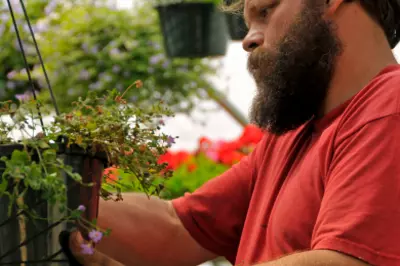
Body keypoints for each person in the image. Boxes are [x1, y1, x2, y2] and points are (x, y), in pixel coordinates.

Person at [62, 0, 400, 265]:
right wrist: (41, 194)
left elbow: (347, 262)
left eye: (266, 11)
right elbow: (177, 230)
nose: (248, 39)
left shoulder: (389, 107)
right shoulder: (290, 137)